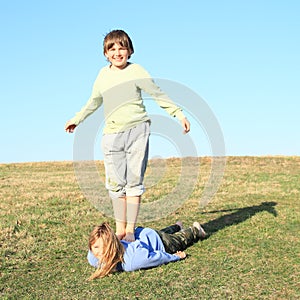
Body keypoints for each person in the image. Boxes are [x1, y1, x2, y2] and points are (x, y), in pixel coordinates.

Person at [65, 29, 190, 242]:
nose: (117, 52)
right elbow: (94, 101)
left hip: (137, 131)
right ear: (105, 53)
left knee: (133, 182)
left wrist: (179, 114)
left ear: (129, 50)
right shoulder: (102, 75)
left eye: (122, 47)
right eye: (112, 48)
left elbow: (157, 93)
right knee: (115, 184)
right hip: (112, 135)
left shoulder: (137, 71)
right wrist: (77, 118)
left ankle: (130, 230)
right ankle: (120, 229)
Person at [87, 221, 206, 279]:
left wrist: (175, 257)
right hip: (142, 235)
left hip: (158, 241)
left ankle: (196, 230)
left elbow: (157, 257)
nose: (100, 252)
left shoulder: (131, 261)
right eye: (96, 247)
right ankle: (177, 226)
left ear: (112, 246)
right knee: (163, 232)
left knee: (178, 239)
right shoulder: (93, 257)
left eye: (104, 247)